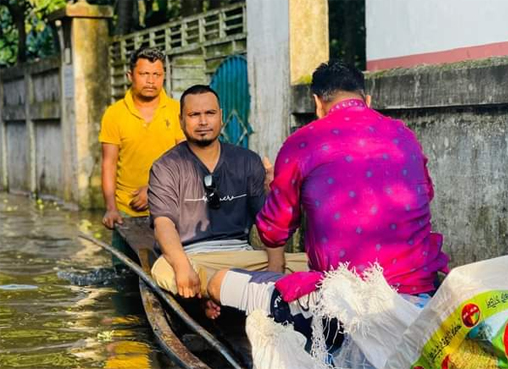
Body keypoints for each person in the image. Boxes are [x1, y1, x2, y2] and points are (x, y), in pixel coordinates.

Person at [205, 61, 449, 333]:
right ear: (367, 99)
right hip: (417, 293)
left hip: (341, 303)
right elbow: (426, 192)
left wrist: (274, 188)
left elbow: (273, 231)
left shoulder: (302, 141)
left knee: (218, 282)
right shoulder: (404, 135)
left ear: (317, 104)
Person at [148, 84, 308, 305]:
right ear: (181, 120)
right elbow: (163, 224)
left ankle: (220, 292)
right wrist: (183, 266)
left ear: (221, 116)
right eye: (194, 115)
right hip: (193, 258)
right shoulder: (166, 166)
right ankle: (234, 291)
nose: (203, 122)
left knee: (310, 264)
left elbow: (268, 222)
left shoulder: (247, 161)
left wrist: (275, 268)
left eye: (210, 113)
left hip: (243, 258)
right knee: (163, 270)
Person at [99, 47, 185, 264]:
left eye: (157, 74)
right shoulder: (114, 114)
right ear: (130, 76)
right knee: (123, 275)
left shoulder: (177, 111)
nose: (151, 80)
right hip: (126, 212)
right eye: (144, 74)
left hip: (169, 207)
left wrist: (154, 189)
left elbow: (186, 161)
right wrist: (111, 209)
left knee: (169, 268)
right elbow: (108, 164)